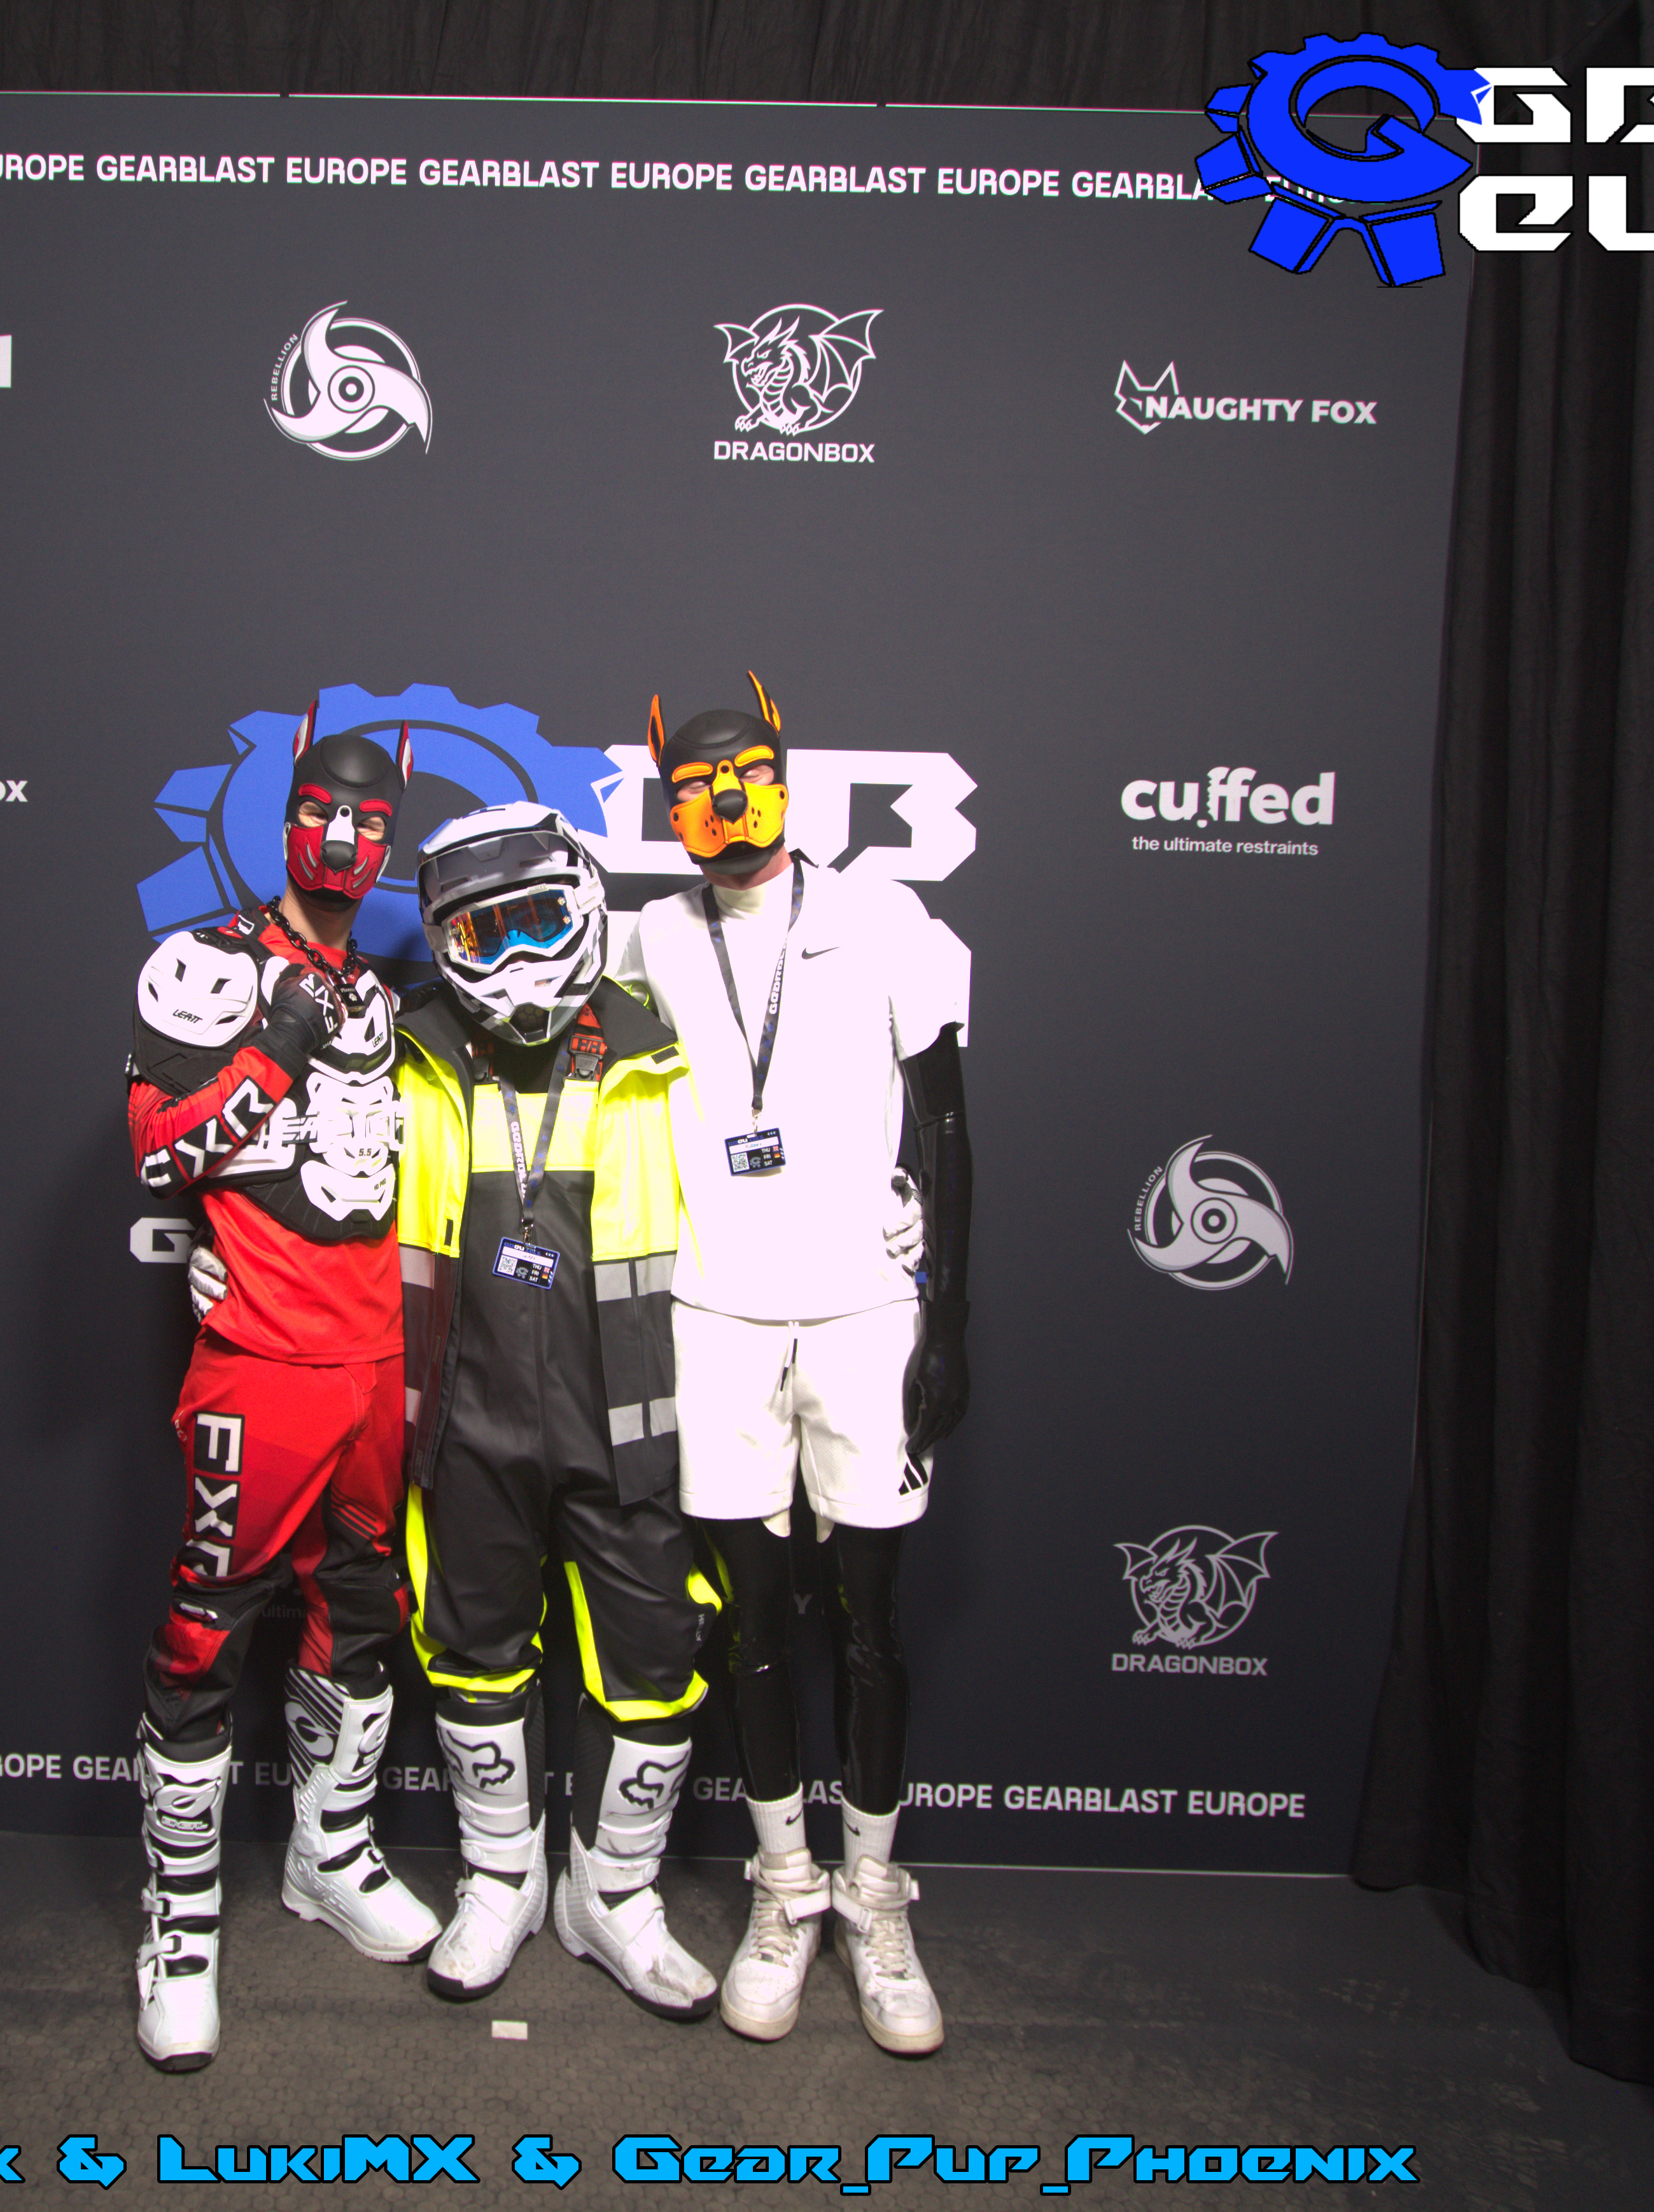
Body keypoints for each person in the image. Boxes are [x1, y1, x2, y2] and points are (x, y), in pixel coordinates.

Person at [612, 673, 972, 2056]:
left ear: (787, 772)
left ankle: (875, 1893)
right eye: (692, 788)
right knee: (752, 1627)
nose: (723, 804)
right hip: (715, 1318)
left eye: (746, 774)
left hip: (866, 1314)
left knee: (871, 1622)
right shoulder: (650, 934)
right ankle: (784, 1886)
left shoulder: (883, 919)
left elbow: (949, 1125)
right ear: (669, 807)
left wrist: (949, 1316)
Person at [122, 702, 438, 2070]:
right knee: (207, 1633)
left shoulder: (387, 991)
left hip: (373, 1361)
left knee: (361, 1611)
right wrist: (275, 1047)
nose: (346, 837)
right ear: (285, 816)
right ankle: (180, 1925)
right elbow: (157, 1154)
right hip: (257, 1363)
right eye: (322, 811)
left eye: (372, 820)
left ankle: (331, 1852)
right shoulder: (209, 963)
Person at [395, 802, 720, 2018]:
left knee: (654, 1657)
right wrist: (228, 1242)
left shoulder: (665, 1040)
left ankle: (615, 1896)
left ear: (585, 903)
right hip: (466, 1407)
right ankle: (501, 1880)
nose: (517, 953)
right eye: (483, 934)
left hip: (629, 1408)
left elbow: (771, 1169)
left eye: (538, 919)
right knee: (471, 1643)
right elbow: (311, 1172)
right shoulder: (404, 1045)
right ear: (443, 944)